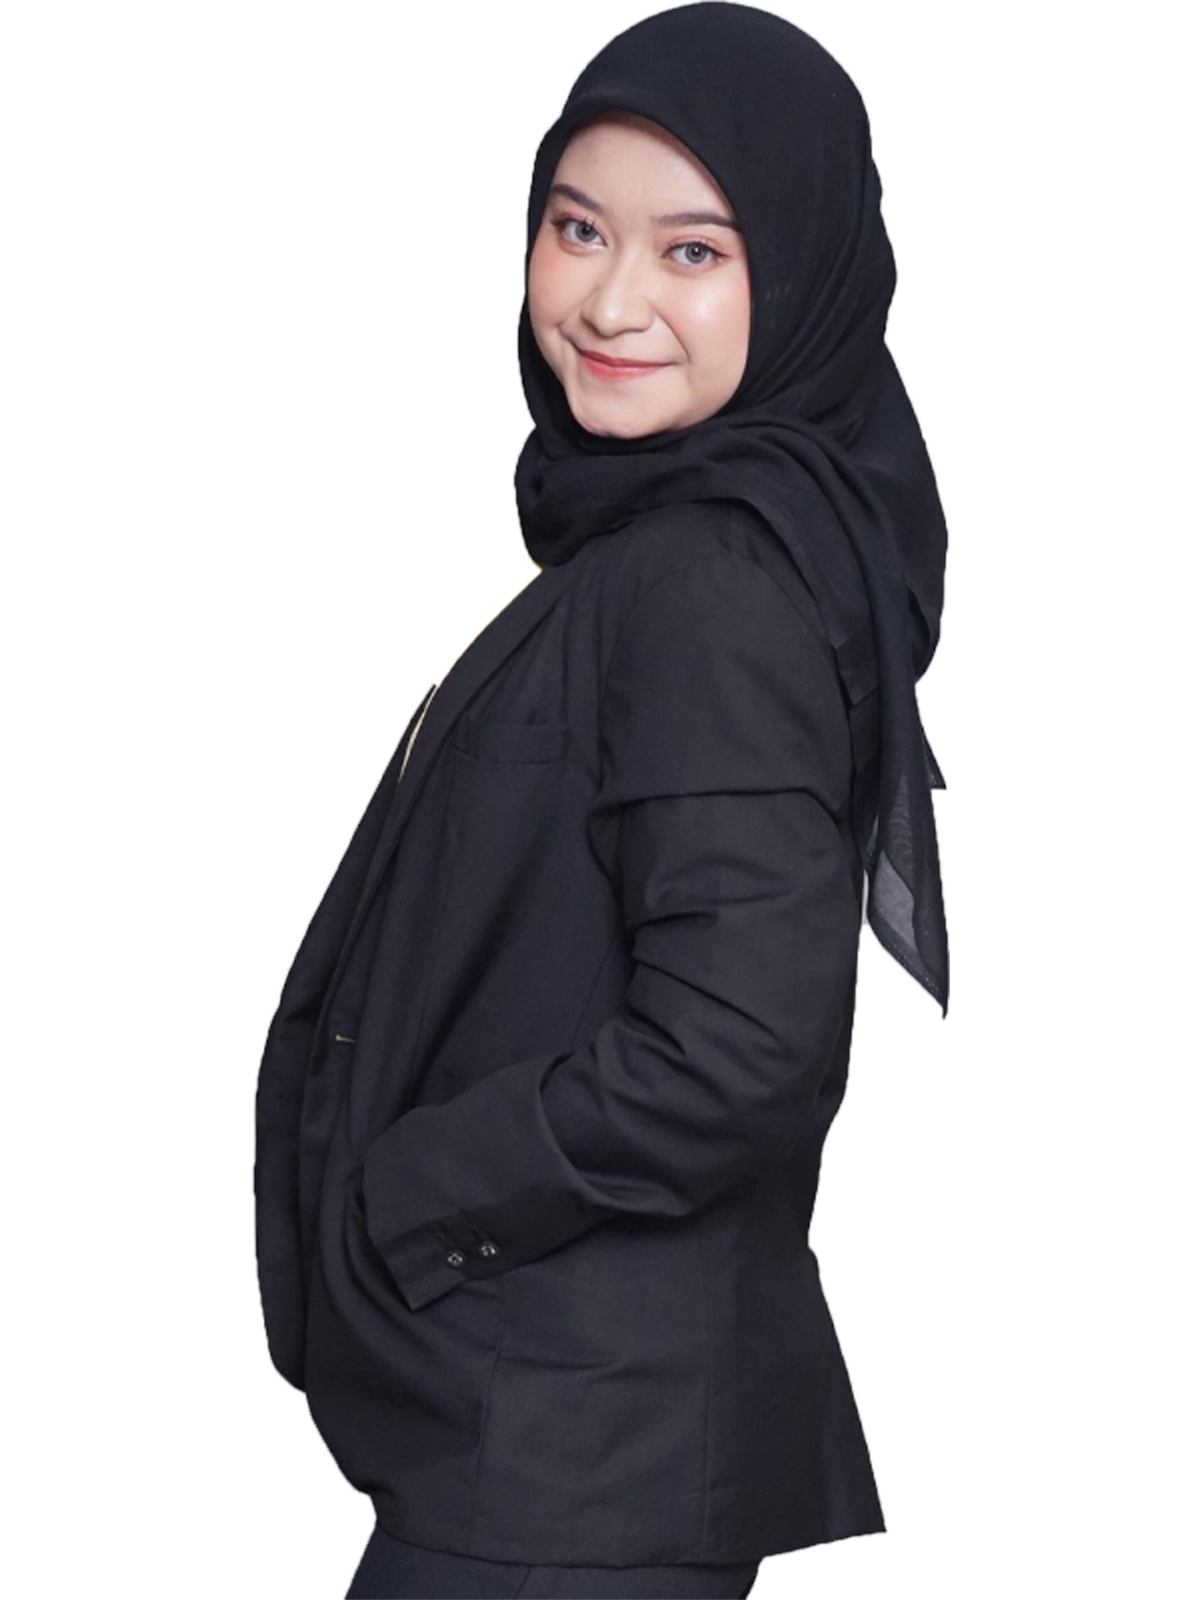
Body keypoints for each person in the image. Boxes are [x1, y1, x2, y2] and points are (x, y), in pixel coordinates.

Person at [254, 7, 949, 1597]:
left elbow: (738, 1046)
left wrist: (413, 1198)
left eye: (693, 250)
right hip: (545, 1444)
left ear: (804, 278)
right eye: (578, 229)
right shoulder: (658, 542)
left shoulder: (709, 581)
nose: (612, 300)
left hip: (562, 1470)